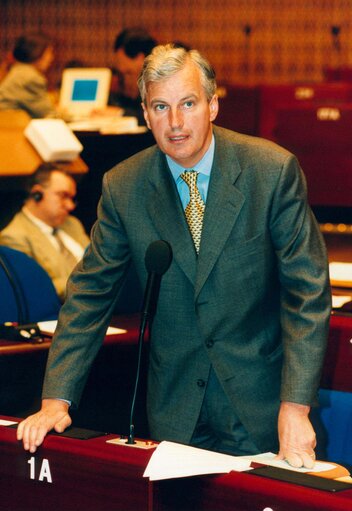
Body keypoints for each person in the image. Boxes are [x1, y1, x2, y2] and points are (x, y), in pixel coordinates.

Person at [17, 44, 331, 468]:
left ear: (213, 104)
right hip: (175, 412)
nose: (176, 122)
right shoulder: (125, 185)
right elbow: (90, 294)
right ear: (145, 114)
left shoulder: (270, 171)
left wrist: (296, 407)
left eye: (188, 103)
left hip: (264, 408)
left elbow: (307, 294)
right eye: (161, 107)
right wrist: (57, 398)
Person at [0, 163, 89, 301]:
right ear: (37, 194)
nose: (70, 206)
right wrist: (92, 282)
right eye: (63, 196)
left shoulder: (72, 224)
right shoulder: (14, 237)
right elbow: (36, 289)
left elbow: (97, 262)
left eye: (72, 198)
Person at [0, 32, 56, 118]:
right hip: (14, 127)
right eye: (49, 53)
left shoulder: (18, 70)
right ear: (37, 52)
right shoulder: (31, 78)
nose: (51, 58)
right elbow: (47, 114)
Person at [110, 27, 156, 124]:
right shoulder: (120, 79)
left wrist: (119, 113)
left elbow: (152, 116)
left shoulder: (158, 81)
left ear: (140, 58)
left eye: (128, 73)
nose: (118, 62)